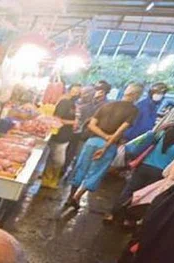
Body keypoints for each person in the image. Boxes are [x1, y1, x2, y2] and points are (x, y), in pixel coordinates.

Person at [66, 82, 142, 210]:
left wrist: (103, 135)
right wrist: (106, 144)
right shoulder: (133, 110)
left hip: (91, 142)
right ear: (135, 95)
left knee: (81, 168)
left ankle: (70, 196)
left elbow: (91, 125)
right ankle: (76, 197)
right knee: (95, 173)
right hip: (108, 145)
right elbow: (120, 131)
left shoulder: (108, 105)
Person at [105, 115, 174, 227]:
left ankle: (112, 214)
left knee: (129, 190)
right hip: (161, 173)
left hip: (144, 166)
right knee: (146, 196)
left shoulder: (164, 133)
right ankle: (129, 220)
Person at [64, 80, 111, 175]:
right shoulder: (86, 100)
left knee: (80, 155)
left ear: (104, 92)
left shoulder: (106, 106)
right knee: (69, 152)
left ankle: (73, 176)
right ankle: (64, 171)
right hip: (75, 131)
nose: (95, 91)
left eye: (98, 89)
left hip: (89, 134)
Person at [49, 84, 82, 174]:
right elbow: (56, 118)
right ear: (69, 90)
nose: (76, 94)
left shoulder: (73, 104)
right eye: (74, 91)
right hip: (59, 136)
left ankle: (51, 180)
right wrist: (73, 123)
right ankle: (47, 179)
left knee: (57, 159)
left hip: (66, 136)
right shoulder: (64, 102)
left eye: (78, 92)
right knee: (58, 160)